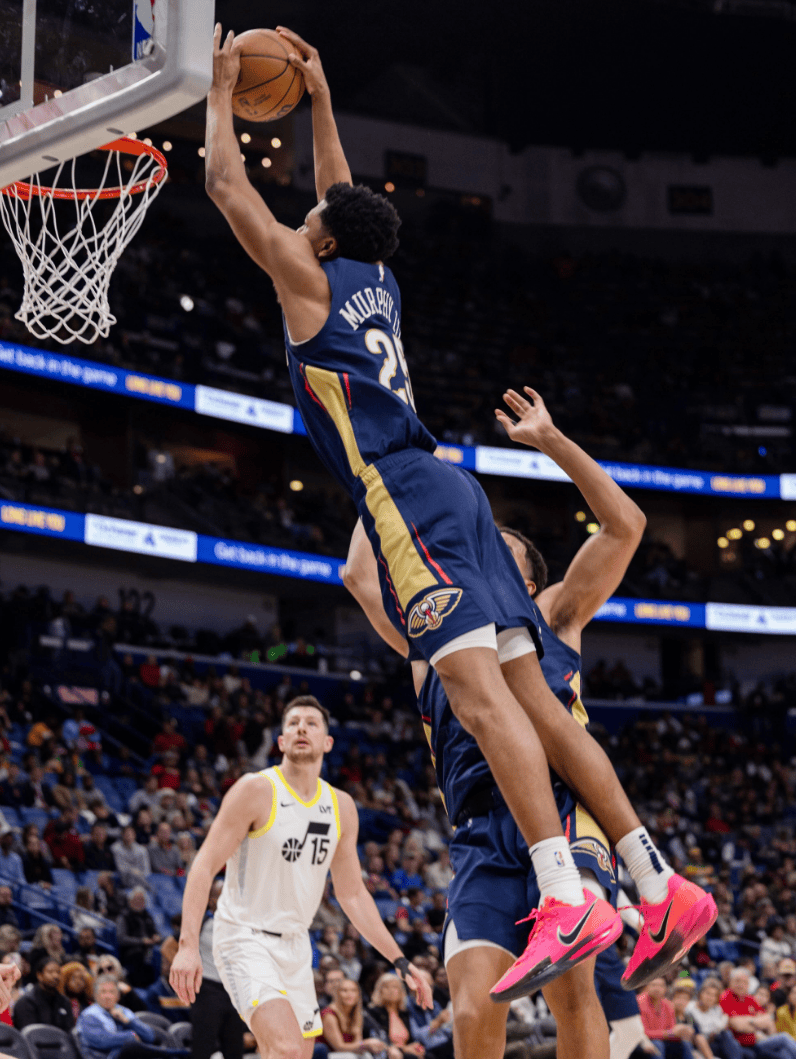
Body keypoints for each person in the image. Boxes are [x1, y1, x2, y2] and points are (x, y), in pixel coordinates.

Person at [205, 24, 714, 997]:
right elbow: (345, 192)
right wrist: (316, 97)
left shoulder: (310, 280)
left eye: (312, 213)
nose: (309, 211)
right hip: (456, 492)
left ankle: (563, 890)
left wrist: (221, 90)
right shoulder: (374, 277)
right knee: (524, 695)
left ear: (319, 236)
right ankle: (653, 877)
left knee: (480, 703)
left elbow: (230, 191)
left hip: (405, 494)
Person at [343, 388, 659, 1059]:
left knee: (574, 992)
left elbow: (624, 525)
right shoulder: (430, 634)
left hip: (564, 813)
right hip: (477, 834)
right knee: (471, 1002)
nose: (472, 540)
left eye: (496, 540)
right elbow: (356, 573)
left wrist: (550, 441)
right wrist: (384, 470)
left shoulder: (552, 616)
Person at [169, 696, 432, 1059]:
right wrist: (187, 946)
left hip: (295, 946)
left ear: (328, 743)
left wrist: (400, 961)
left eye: (311, 723)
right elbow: (203, 865)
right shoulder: (255, 789)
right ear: (280, 742)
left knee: (296, 1055)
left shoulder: (341, 806)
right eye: (292, 723)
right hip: (243, 936)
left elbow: (353, 894)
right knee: (288, 1050)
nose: (301, 728)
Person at [188, 880, 244, 1059]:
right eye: (222, 896)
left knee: (235, 1048)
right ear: (211, 900)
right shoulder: (201, 921)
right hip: (208, 989)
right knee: (203, 1047)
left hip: (234, 992)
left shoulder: (239, 924)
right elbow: (169, 946)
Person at [77, 974, 176, 1059]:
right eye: (103, 992)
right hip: (100, 1057)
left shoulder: (124, 1011)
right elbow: (102, 1041)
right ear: (95, 995)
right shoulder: (89, 1015)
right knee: (131, 1047)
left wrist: (127, 1021)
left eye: (111, 992)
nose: (107, 996)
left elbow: (149, 1036)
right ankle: (175, 1053)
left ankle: (174, 1053)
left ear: (118, 996)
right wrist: (130, 1036)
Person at [720, 967, 796, 1057]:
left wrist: (750, 1022)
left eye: (744, 982)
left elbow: (768, 1021)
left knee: (784, 1053)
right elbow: (736, 1025)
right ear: (730, 982)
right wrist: (756, 1023)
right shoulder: (726, 997)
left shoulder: (749, 998)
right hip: (741, 1044)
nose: (741, 985)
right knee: (784, 1037)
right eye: (737, 981)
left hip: (756, 1041)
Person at [320, 976, 393, 1058]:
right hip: (330, 1055)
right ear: (337, 994)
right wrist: (365, 1044)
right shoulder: (329, 1014)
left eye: (353, 990)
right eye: (344, 990)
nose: (349, 994)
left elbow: (357, 1043)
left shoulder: (357, 1015)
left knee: (366, 1055)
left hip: (347, 1055)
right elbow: (339, 1047)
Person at [366, 974, 425, 1058]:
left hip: (405, 1052)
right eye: (386, 987)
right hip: (387, 1053)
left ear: (401, 991)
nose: (391, 990)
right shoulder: (373, 1012)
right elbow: (378, 1040)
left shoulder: (404, 1013)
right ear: (379, 991)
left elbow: (412, 1039)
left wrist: (415, 1046)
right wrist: (404, 1049)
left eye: (395, 987)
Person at [13, 955, 75, 1030]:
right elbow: (28, 1033)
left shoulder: (64, 1001)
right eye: (50, 972)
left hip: (61, 1041)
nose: (55, 976)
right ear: (39, 975)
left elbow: (70, 1031)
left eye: (58, 972)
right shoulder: (26, 1002)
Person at [637, 978, 695, 1058]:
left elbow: (671, 1031)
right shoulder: (639, 1002)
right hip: (643, 1041)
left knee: (685, 1044)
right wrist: (668, 1033)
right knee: (657, 1044)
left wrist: (682, 1033)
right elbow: (641, 1033)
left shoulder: (668, 1005)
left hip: (662, 1040)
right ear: (647, 987)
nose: (657, 988)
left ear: (666, 989)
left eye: (661, 986)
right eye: (654, 985)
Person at [116, 887, 162, 987]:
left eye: (142, 900)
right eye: (136, 899)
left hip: (148, 949)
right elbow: (121, 938)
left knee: (159, 954)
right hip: (131, 951)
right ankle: (140, 987)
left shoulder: (148, 916)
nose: (139, 902)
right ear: (130, 901)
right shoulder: (123, 916)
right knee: (140, 957)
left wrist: (157, 937)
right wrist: (141, 941)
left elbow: (155, 932)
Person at [686, 978, 741, 1059]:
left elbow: (719, 1028)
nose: (710, 998)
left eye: (714, 995)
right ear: (701, 993)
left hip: (714, 1043)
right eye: (707, 993)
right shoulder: (690, 1009)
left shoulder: (717, 1009)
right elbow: (696, 1034)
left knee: (729, 1037)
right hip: (698, 1045)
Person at [112, 826, 151, 891]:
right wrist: (132, 871)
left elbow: (147, 871)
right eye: (127, 834)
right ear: (122, 835)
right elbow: (120, 869)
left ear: (135, 835)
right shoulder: (115, 848)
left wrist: (137, 874)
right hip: (122, 882)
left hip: (140, 881)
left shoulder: (142, 850)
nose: (129, 837)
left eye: (131, 834)